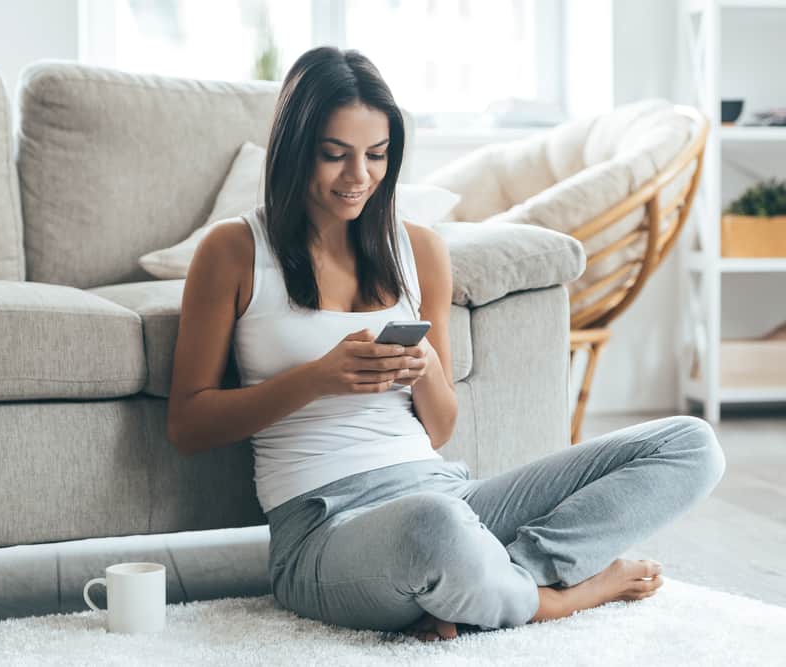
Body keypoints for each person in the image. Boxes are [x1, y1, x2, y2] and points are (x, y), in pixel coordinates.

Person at [167, 46, 726, 642]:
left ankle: (498, 580)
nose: (359, 177)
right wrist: (318, 378)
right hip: (322, 528)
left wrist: (425, 363)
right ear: (295, 149)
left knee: (690, 444)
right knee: (433, 531)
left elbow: (438, 430)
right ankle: (561, 598)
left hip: (447, 493)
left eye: (376, 155)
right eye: (335, 155)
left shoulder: (421, 252)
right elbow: (188, 424)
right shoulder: (232, 251)